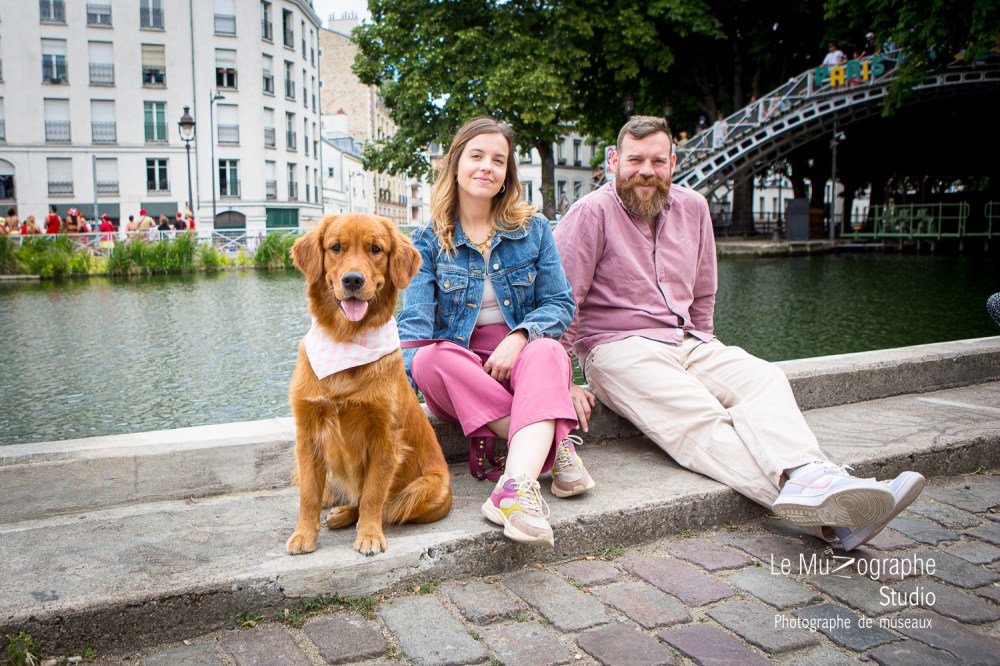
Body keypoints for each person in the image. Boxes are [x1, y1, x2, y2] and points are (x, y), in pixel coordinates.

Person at [553, 115, 925, 552]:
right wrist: (563, 378)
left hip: (687, 339)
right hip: (616, 346)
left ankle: (813, 475)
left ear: (673, 162)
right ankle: (831, 513)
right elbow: (563, 300)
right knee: (699, 416)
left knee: (765, 378)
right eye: (635, 160)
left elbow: (704, 290)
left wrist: (707, 349)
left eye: (657, 161)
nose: (646, 172)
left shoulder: (693, 208)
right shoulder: (590, 212)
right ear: (614, 160)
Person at [398, 116, 594, 548]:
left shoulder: (534, 229)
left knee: (548, 352)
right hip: (460, 371)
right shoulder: (427, 241)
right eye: (477, 156)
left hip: (524, 361)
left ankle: (514, 489)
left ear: (508, 173)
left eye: (499, 160)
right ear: (455, 164)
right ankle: (556, 440)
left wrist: (519, 337)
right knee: (430, 357)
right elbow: (411, 336)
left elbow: (559, 304)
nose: (487, 166)